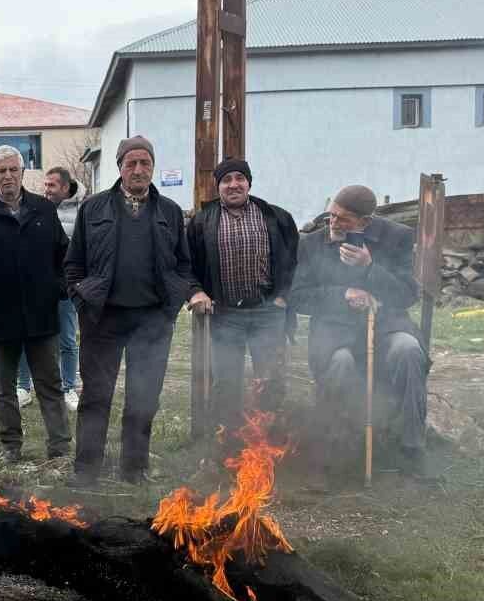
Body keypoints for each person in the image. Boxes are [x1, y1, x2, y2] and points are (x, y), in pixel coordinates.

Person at [66, 136, 211, 484]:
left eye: (145, 163)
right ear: (119, 168)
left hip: (152, 320)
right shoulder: (93, 208)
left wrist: (181, 299)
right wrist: (80, 297)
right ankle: (87, 470)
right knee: (96, 396)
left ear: (153, 168)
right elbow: (73, 265)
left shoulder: (170, 213)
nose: (138, 169)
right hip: (103, 318)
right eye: (131, 163)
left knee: (143, 399)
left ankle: (134, 469)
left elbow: (182, 266)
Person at [290, 184, 431, 477]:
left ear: (365, 222)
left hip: (386, 326)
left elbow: (407, 295)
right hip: (333, 329)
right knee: (339, 363)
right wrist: (343, 293)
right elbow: (298, 295)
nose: (334, 224)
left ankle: (412, 449)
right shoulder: (312, 243)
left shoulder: (396, 238)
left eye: (343, 220)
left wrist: (370, 268)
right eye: (332, 215)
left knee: (409, 350)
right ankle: (330, 453)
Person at [0, 145, 71, 464]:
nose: (8, 176)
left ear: (23, 172)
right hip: (0, 316)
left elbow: (62, 255)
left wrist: (59, 289)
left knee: (49, 384)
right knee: (3, 389)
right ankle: (11, 445)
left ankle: (60, 445)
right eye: (1, 171)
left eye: (13, 170)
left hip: (42, 314)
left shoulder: (43, 210)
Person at [187, 157, 299, 426]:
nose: (233, 185)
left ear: (249, 183)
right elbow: (186, 265)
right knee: (226, 383)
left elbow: (295, 260)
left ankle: (269, 443)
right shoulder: (201, 222)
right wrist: (196, 291)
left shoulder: (276, 217)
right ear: (218, 186)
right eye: (226, 180)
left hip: (268, 312)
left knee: (270, 380)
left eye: (240, 178)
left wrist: (284, 294)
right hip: (225, 314)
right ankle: (229, 444)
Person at [16, 166, 83, 411]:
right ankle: (23, 387)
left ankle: (68, 388)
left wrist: (74, 284)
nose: (46, 190)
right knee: (27, 336)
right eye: (45, 185)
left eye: (52, 186)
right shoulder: (35, 210)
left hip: (66, 290)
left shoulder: (81, 212)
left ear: (66, 188)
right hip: (37, 289)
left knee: (67, 339)